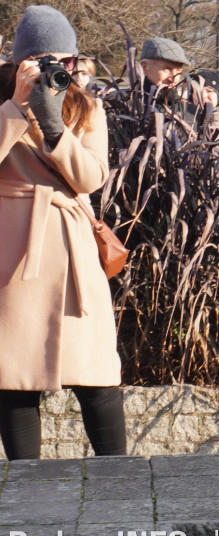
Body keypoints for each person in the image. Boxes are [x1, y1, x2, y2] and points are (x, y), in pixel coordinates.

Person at [0, 5, 125, 460]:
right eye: (45, 59)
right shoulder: (3, 100)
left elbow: (91, 178)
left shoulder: (86, 107)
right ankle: (26, 488)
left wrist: (54, 126)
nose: (59, 69)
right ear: (19, 60)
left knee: (95, 374)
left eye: (67, 61)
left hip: (72, 248)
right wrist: (16, 104)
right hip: (11, 250)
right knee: (13, 378)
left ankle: (120, 480)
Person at [139, 37, 189, 104]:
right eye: (167, 69)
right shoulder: (125, 106)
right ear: (144, 67)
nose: (173, 79)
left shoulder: (188, 111)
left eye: (178, 71)